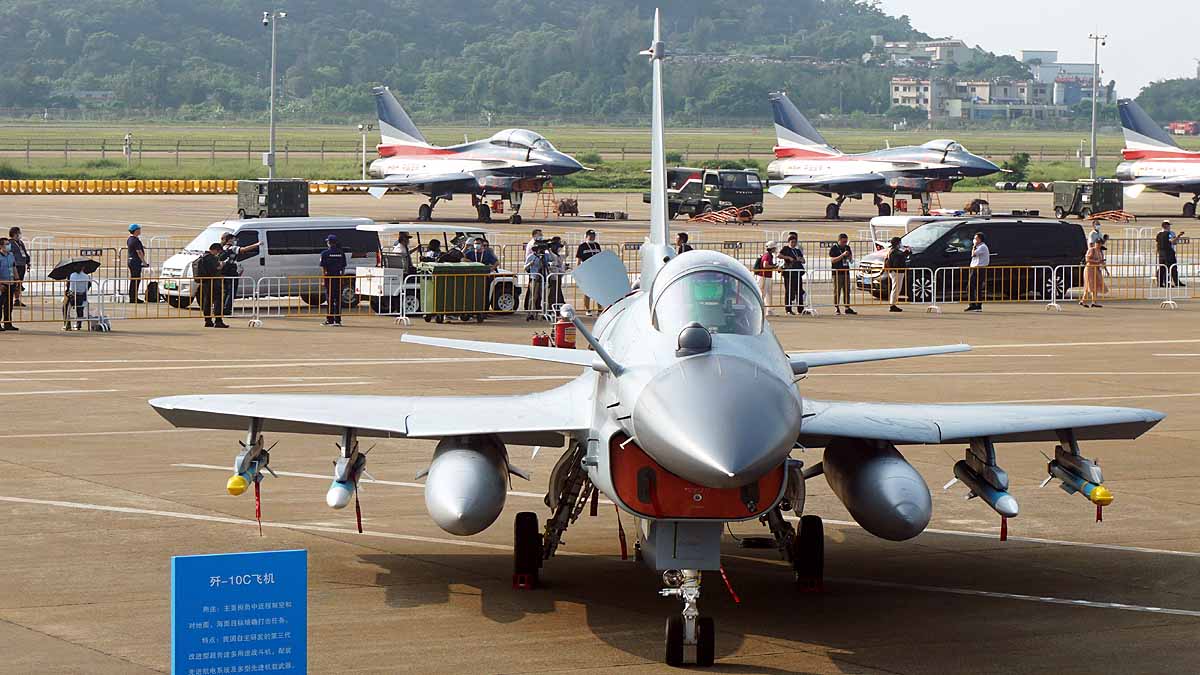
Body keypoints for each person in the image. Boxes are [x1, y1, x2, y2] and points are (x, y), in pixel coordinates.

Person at [219, 233, 259, 318]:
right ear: (229, 240)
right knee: (231, 291)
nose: (235, 241)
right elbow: (244, 250)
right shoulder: (232, 248)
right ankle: (227, 309)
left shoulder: (222, 248)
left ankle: (222, 308)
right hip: (231, 271)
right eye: (233, 239)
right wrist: (257, 244)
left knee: (225, 291)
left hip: (224, 271)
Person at [196, 243, 227, 328]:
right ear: (215, 250)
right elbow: (215, 269)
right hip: (213, 282)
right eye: (218, 251)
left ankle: (208, 320)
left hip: (205, 282)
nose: (218, 253)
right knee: (218, 301)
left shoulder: (202, 257)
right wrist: (221, 265)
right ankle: (218, 321)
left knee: (207, 301)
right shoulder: (211, 258)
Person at [320, 234, 348, 326]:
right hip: (338, 278)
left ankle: (330, 319)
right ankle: (338, 320)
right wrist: (342, 277)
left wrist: (324, 280)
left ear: (329, 243)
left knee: (330, 299)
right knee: (338, 299)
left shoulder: (325, 253)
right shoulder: (341, 253)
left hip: (329, 279)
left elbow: (324, 268)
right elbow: (343, 267)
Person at [576, 229, 603, 315]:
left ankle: (600, 309)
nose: (592, 237)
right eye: (590, 236)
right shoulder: (582, 246)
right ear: (586, 236)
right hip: (587, 271)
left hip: (597, 271)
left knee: (599, 290)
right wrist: (579, 271)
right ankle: (587, 309)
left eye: (594, 236)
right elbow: (578, 260)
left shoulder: (597, 245)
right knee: (587, 291)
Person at [777, 232, 806, 314]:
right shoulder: (786, 249)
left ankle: (800, 309)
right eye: (792, 242)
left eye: (795, 242)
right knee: (789, 290)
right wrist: (788, 257)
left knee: (799, 290)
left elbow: (803, 261)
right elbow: (779, 255)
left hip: (797, 272)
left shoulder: (797, 250)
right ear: (789, 242)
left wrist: (800, 259)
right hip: (788, 272)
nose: (793, 244)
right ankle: (788, 309)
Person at [829, 233, 856, 315]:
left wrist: (849, 257)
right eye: (843, 241)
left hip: (846, 271)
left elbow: (851, 260)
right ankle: (836, 307)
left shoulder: (847, 247)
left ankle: (847, 307)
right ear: (839, 240)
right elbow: (833, 260)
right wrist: (842, 255)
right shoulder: (834, 248)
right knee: (837, 290)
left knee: (847, 290)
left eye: (846, 241)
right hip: (837, 272)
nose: (845, 243)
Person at [523, 241, 549, 320]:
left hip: (543, 277)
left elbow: (550, 260)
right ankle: (531, 312)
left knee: (544, 296)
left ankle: (544, 312)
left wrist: (549, 250)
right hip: (534, 277)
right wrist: (530, 264)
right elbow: (525, 268)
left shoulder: (545, 256)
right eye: (539, 249)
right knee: (533, 296)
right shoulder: (531, 256)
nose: (540, 251)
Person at [1156, 220, 1185, 288]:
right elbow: (1172, 241)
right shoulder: (1168, 233)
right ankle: (1167, 283)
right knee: (1169, 267)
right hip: (1168, 252)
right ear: (1166, 226)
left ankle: (1160, 283)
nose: (1169, 227)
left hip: (1161, 252)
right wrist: (1179, 236)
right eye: (1168, 225)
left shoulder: (1159, 233)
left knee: (1162, 267)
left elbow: (1157, 242)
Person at [965, 231, 989, 312]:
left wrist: (974, 246)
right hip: (974, 268)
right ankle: (973, 304)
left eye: (976, 238)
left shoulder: (982, 247)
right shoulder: (979, 246)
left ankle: (976, 305)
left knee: (973, 287)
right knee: (973, 287)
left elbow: (973, 254)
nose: (974, 240)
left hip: (979, 269)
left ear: (980, 239)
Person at [885, 236, 910, 313]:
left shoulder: (894, 250)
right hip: (896, 272)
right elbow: (898, 260)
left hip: (896, 272)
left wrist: (906, 252)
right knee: (896, 288)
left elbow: (902, 255)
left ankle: (893, 304)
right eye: (900, 242)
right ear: (897, 243)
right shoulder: (895, 252)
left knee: (896, 288)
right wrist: (906, 252)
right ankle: (892, 305)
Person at [1080, 238, 1108, 308]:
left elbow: (1102, 261)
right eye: (1097, 243)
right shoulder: (1092, 250)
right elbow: (1087, 259)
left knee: (1096, 286)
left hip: (1097, 269)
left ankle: (1094, 302)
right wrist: (1097, 262)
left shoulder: (1100, 252)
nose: (1098, 244)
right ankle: (1083, 301)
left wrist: (1106, 270)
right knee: (1089, 285)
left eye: (1099, 243)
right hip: (1090, 269)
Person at [753, 242, 778, 315]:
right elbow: (765, 265)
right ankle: (758, 309)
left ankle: (768, 309)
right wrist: (774, 267)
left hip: (765, 276)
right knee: (763, 293)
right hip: (764, 276)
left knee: (767, 293)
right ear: (772, 248)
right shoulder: (767, 256)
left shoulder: (768, 255)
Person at [126, 224, 149, 303]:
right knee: (136, 280)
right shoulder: (135, 240)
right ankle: (133, 298)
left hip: (131, 261)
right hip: (135, 262)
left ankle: (133, 297)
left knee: (134, 280)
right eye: (139, 229)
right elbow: (139, 252)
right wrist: (144, 262)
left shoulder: (130, 239)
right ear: (136, 230)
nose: (140, 230)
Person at [7, 227, 29, 307]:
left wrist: (28, 260)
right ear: (14, 234)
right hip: (15, 266)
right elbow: (7, 254)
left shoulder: (20, 242)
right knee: (13, 283)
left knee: (19, 283)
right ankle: (8, 300)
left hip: (22, 265)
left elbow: (24, 252)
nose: (20, 234)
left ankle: (17, 299)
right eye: (19, 233)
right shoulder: (9, 243)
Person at [0, 237, 15, 331]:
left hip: (11, 282)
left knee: (9, 305)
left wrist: (17, 280)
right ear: (1, 246)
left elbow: (14, 267)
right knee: (0, 304)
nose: (8, 245)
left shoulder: (11, 255)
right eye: (6, 244)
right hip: (2, 283)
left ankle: (8, 323)